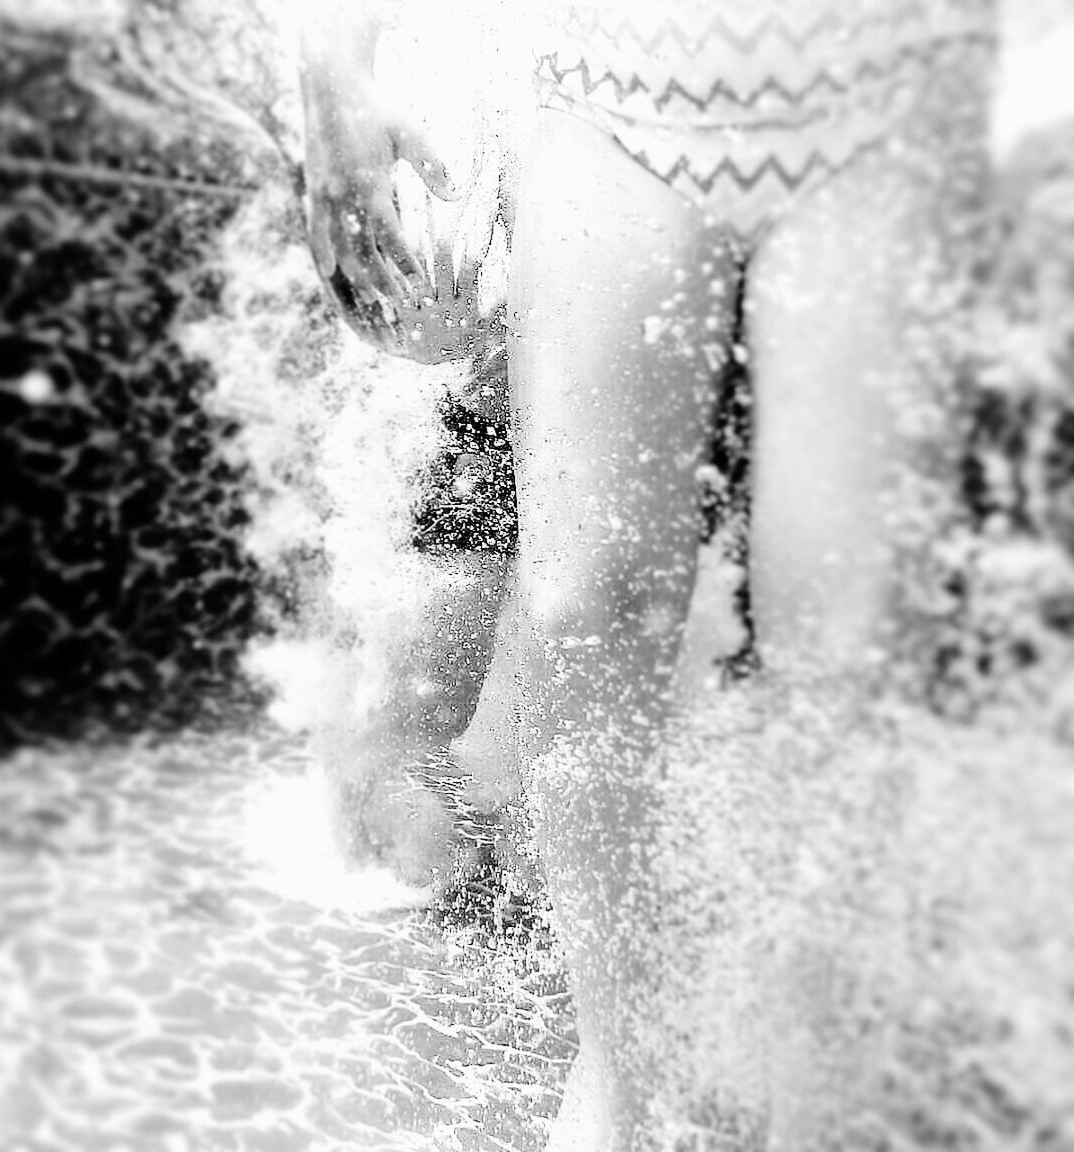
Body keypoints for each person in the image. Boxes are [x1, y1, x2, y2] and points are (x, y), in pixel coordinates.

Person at [298, 1, 997, 1147]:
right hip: (613, 75)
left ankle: (819, 1103)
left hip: (883, 84)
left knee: (853, 642)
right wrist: (336, 76)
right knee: (583, 605)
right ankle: (623, 1086)